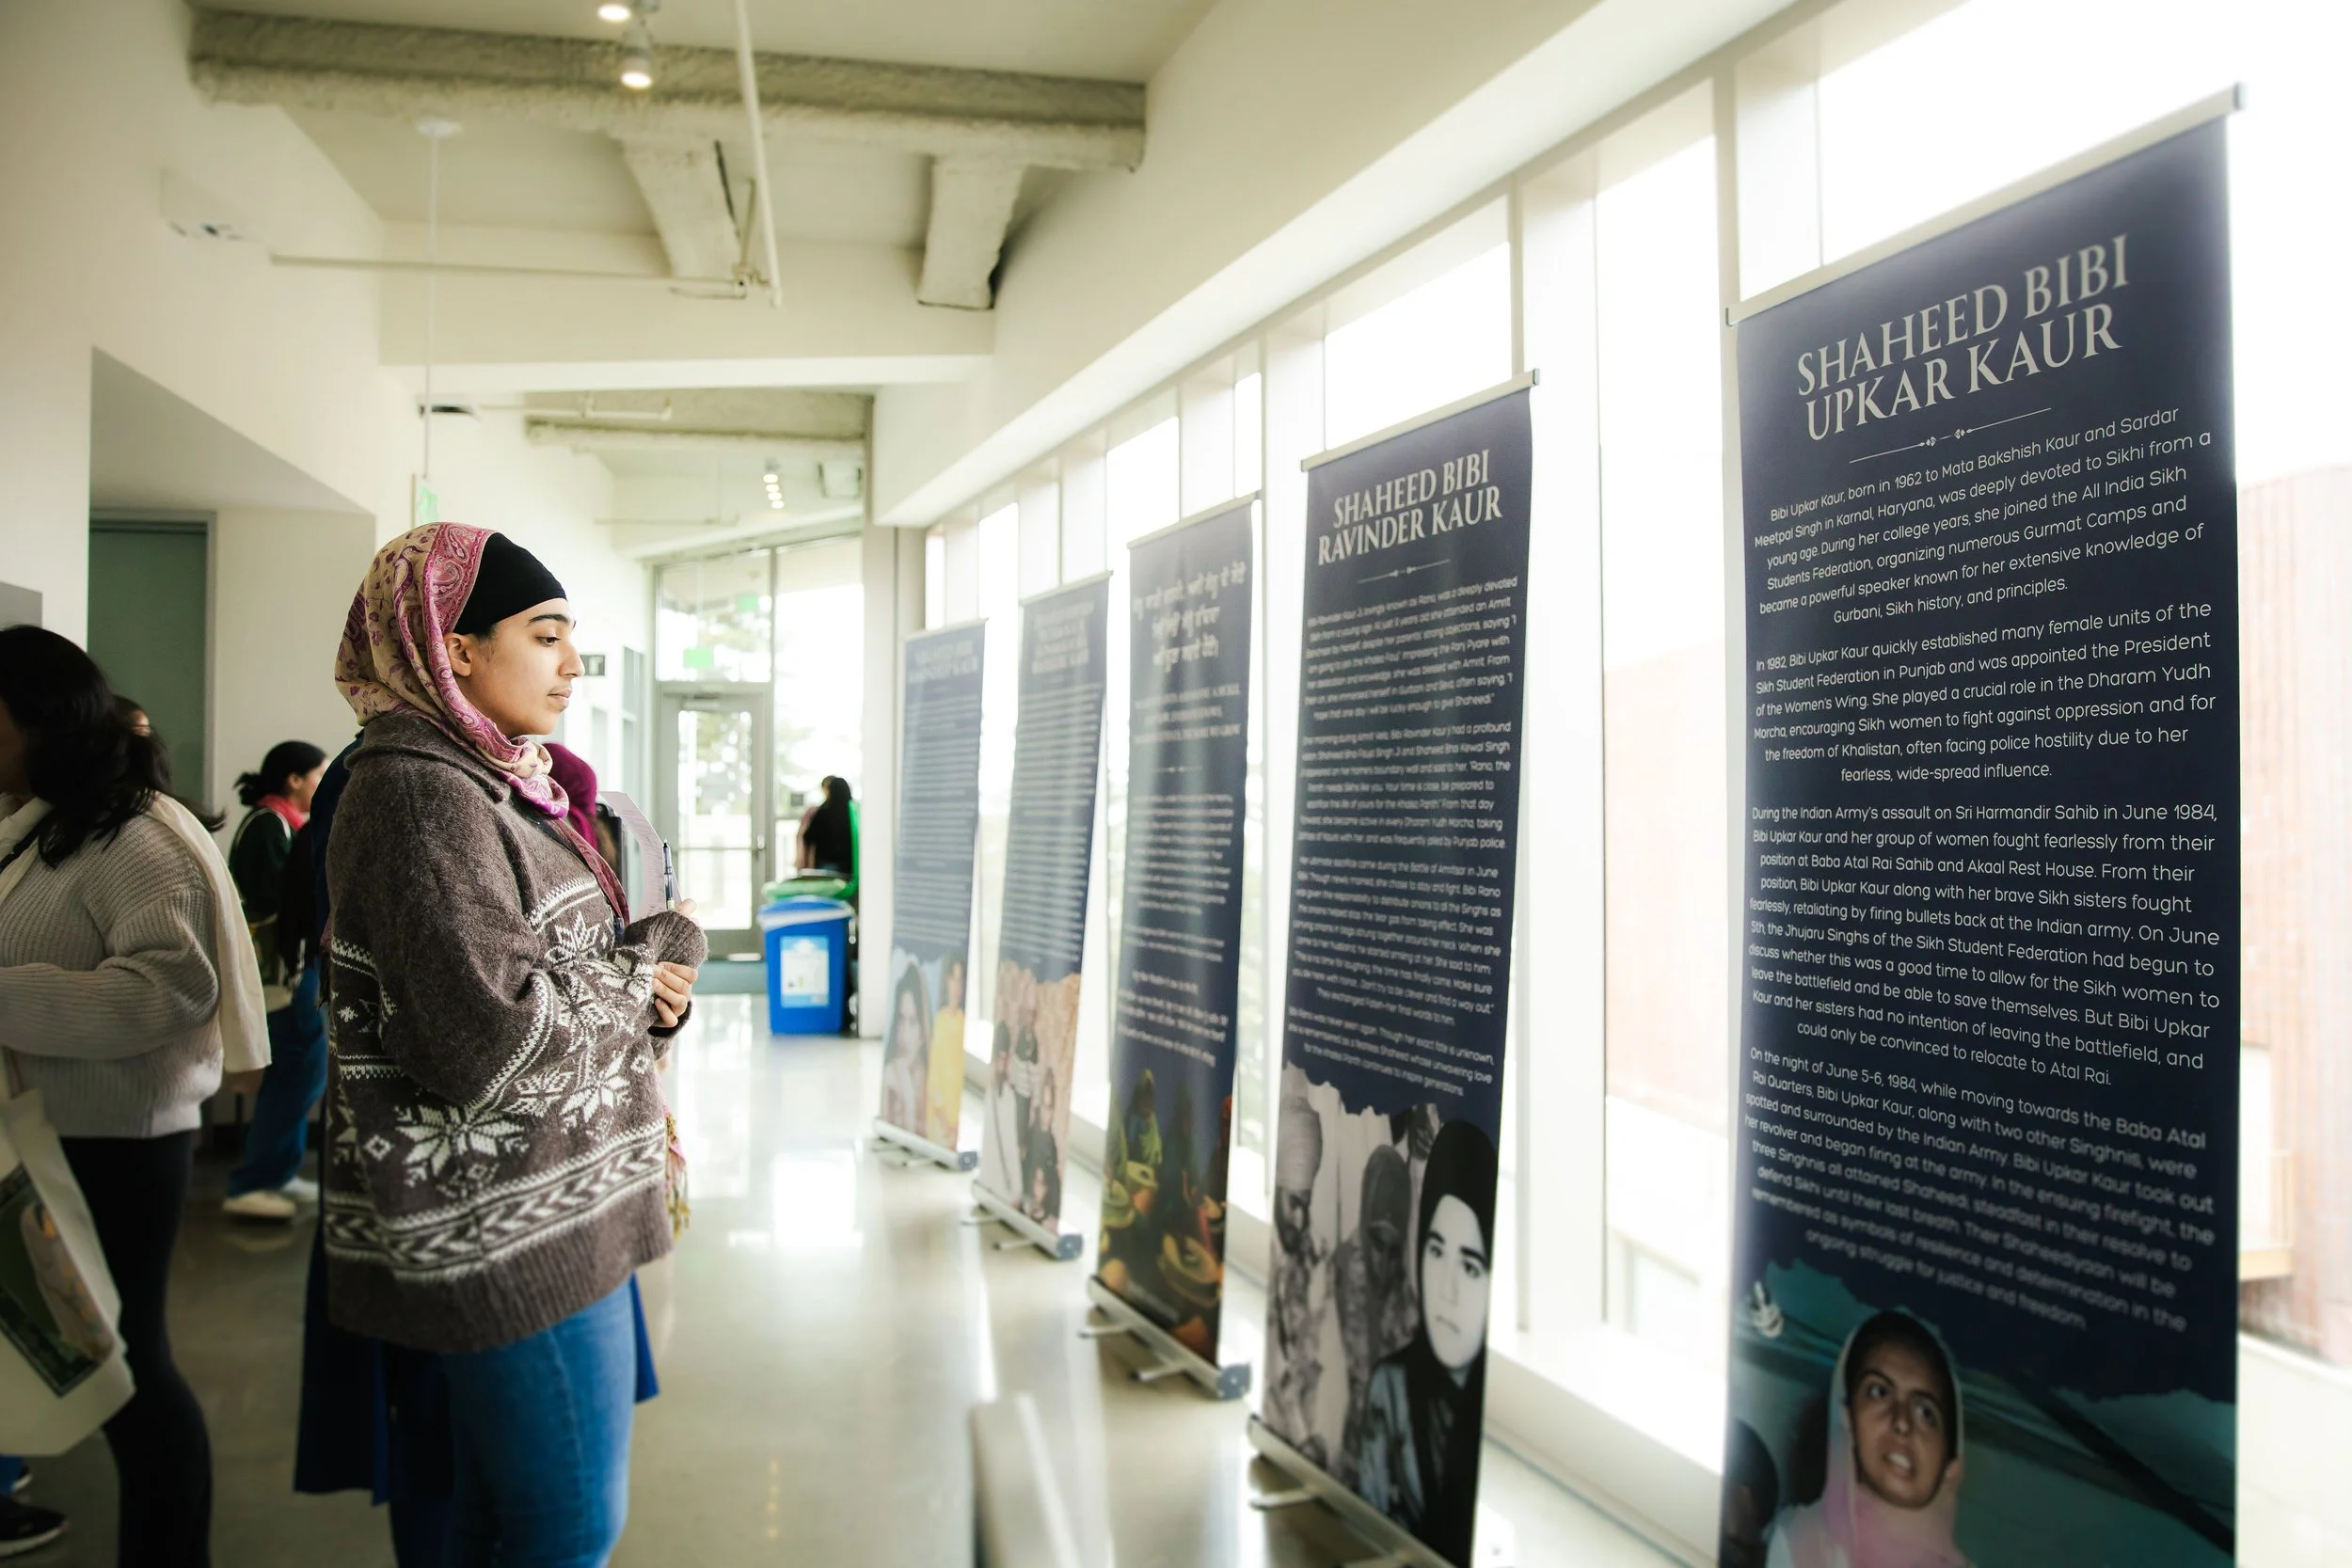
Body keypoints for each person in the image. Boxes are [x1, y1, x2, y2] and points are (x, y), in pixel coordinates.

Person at [322, 525, 704, 1567]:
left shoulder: (503, 779)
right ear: (451, 648)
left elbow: (551, 975)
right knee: (566, 1523)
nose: (573, 663)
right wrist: (647, 961)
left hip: (551, 1203)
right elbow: (485, 1040)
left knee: (495, 1517)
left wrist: (651, 996)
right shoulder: (419, 793)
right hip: (508, 1226)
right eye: (545, 634)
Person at [0, 626, 244, 1567]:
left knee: (130, 1366)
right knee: (98, 1359)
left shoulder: (134, 834)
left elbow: (170, 988)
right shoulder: (42, 823)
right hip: (53, 1130)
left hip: (119, 1140)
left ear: (38, 717)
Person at [1355, 1117, 1497, 1566]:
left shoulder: (1490, 1420)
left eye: (1471, 1266)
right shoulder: (1391, 1389)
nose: (1447, 1291)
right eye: (1435, 1251)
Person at [221, 739, 330, 1221]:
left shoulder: (284, 824)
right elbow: (272, 904)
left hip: (291, 969)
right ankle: (255, 1181)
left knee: (300, 1070)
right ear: (293, 779)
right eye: (316, 775)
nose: (321, 785)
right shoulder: (269, 827)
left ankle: (279, 1171)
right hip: (278, 973)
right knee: (295, 1068)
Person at [1767, 1312, 1970, 1568]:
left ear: (1951, 1467)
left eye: (1926, 1412)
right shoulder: (1798, 1542)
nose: (1902, 1422)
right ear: (1847, 1417)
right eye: (1880, 1392)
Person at [1334, 1143, 1418, 1473]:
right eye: (1376, 1243)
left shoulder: (1404, 1290)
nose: (1383, 1260)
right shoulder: (1340, 1271)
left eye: (1392, 1248)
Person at [1263, 1079, 1331, 1468]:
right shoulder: (1277, 1254)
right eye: (1292, 1203)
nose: (1299, 1218)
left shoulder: (1311, 1258)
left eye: (1305, 1204)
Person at [920, 956, 965, 1148]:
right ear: (946, 981)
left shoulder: (962, 1020)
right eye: (953, 979)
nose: (957, 985)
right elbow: (933, 1078)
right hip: (940, 1118)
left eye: (960, 979)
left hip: (954, 1115)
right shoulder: (939, 1021)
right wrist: (944, 1120)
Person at [879, 962, 929, 1131]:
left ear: (923, 1032)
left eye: (913, 1022)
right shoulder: (891, 1073)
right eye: (901, 1019)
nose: (904, 1033)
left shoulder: (929, 1080)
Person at [796, 775, 853, 875]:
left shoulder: (823, 813)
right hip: (850, 866)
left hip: (825, 865)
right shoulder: (853, 814)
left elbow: (808, 837)